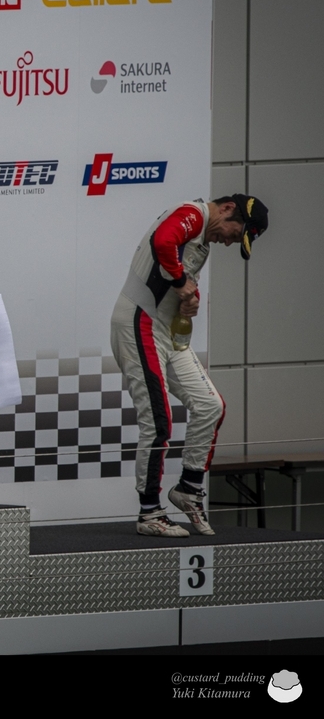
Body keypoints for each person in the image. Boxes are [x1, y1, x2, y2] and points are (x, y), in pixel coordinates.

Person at [111, 194, 268, 537]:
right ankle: (149, 513)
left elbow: (175, 280)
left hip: (165, 330)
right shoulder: (194, 214)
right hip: (139, 323)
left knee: (210, 405)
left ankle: (189, 487)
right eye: (234, 234)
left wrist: (189, 299)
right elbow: (162, 241)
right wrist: (183, 284)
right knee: (157, 421)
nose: (228, 242)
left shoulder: (202, 238)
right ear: (227, 209)